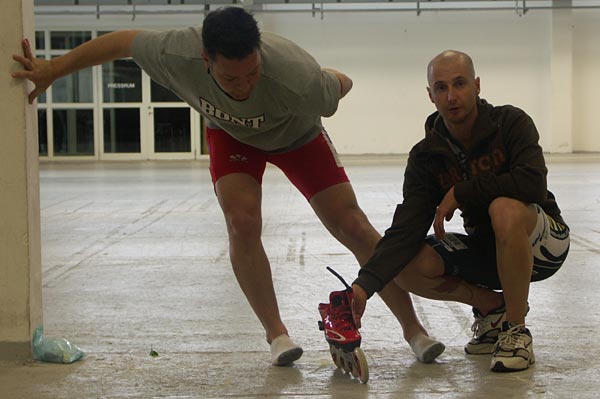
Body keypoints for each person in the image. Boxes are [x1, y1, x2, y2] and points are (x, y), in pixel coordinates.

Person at [12, 7, 444, 366]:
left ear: (260, 55)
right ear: (205, 60)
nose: (243, 86)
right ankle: (277, 335)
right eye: (230, 79)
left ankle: (414, 330)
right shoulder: (174, 51)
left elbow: (341, 86)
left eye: (252, 74)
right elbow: (120, 41)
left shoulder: (297, 75)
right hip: (231, 136)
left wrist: (326, 77)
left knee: (352, 225)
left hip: (298, 135)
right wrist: (54, 68)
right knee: (241, 221)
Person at [351, 50, 570, 372]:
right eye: (441, 88)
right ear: (430, 95)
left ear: (477, 85)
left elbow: (533, 184)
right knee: (407, 265)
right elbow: (406, 228)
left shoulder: (510, 123)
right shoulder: (426, 156)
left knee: (504, 209)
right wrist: (363, 286)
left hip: (542, 244)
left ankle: (516, 330)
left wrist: (462, 191)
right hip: (488, 250)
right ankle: (491, 307)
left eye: (459, 84)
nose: (452, 96)